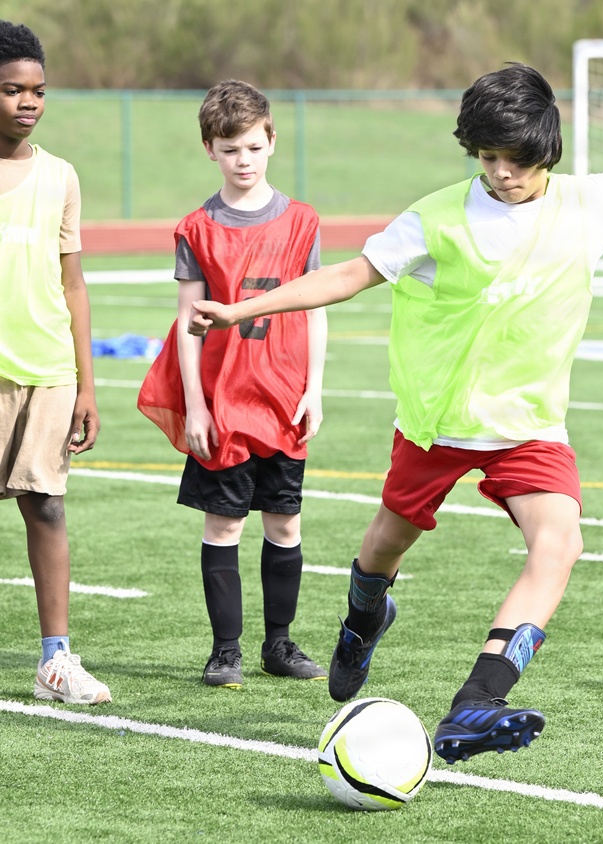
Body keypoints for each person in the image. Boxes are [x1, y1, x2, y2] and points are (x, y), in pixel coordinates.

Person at [189, 64, 603, 756]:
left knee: (560, 543)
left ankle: (477, 701)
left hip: (530, 426)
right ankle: (362, 619)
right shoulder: (436, 217)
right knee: (385, 546)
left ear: (547, 150)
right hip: (439, 422)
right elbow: (349, 275)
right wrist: (239, 310)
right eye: (487, 158)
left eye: (516, 159)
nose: (502, 173)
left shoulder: (591, 201)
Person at [138, 80, 328, 690]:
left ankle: (280, 643)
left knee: (285, 523)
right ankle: (226, 650)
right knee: (222, 526)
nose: (242, 160)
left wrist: (315, 387)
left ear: (271, 139)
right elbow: (187, 322)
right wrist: (195, 404)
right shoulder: (197, 228)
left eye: (251, 146)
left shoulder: (303, 222)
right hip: (223, 402)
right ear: (209, 150)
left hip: (281, 398)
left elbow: (317, 307)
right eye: (229, 149)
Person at [0, 21, 111, 705]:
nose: (28, 102)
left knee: (47, 508)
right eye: (12, 90)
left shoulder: (60, 176)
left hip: (48, 366)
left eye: (38, 90)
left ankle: (55, 661)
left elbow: (73, 284)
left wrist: (87, 385)